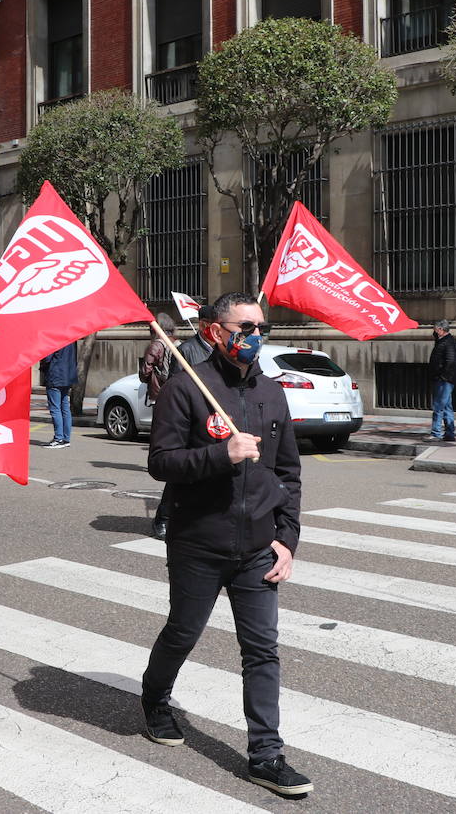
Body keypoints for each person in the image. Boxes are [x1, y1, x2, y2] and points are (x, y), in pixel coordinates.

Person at [140, 292, 309, 798]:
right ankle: (154, 698)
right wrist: (221, 455)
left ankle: (266, 755)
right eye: (245, 328)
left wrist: (287, 539)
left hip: (257, 547)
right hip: (198, 543)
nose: (255, 337)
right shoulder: (186, 388)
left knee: (262, 650)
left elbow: (288, 474)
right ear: (214, 331)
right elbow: (161, 463)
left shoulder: (272, 394)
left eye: (262, 328)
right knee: (183, 632)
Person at [155, 306, 216, 539]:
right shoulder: (187, 350)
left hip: (215, 419)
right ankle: (164, 517)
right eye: (212, 324)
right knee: (180, 474)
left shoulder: (220, 349)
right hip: (192, 419)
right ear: (203, 325)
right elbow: (175, 387)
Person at [39, 341, 77, 448]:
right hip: (67, 375)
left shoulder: (56, 336)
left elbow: (47, 357)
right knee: (65, 407)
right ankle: (66, 438)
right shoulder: (72, 337)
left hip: (55, 374)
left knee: (55, 408)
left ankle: (58, 438)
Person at [427, 319, 456, 442]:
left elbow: (450, 362)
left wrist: (443, 377)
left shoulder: (448, 342)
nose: (434, 331)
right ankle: (450, 434)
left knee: (438, 406)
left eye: (435, 329)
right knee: (446, 407)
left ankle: (436, 433)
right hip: (443, 379)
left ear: (441, 329)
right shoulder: (442, 341)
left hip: (444, 380)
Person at [168, 305, 215, 379]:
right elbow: (174, 383)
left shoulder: (223, 348)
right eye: (214, 325)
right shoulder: (185, 350)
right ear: (202, 325)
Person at [140, 313, 175, 406]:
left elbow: (145, 371)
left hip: (159, 392)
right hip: (173, 391)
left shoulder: (156, 345)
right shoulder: (175, 342)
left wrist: (144, 379)